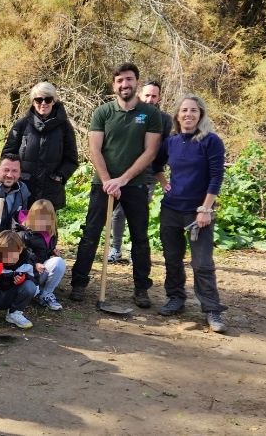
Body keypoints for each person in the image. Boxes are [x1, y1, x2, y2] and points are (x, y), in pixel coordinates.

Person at [69, 63, 161, 308]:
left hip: (135, 185)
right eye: (120, 80)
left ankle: (141, 288)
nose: (124, 84)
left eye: (129, 79)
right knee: (91, 234)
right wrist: (109, 180)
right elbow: (94, 149)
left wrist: (124, 179)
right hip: (103, 183)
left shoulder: (149, 114)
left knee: (140, 238)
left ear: (136, 82)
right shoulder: (103, 112)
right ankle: (79, 283)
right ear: (114, 85)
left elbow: (150, 152)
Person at [152, 94, 228, 332]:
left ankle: (212, 309)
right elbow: (156, 165)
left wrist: (206, 209)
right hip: (171, 209)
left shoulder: (211, 141)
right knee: (172, 259)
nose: (188, 114)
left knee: (202, 263)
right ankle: (176, 298)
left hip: (198, 213)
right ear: (177, 115)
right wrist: (164, 182)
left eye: (193, 110)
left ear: (200, 114)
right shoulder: (171, 142)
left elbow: (216, 177)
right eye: (184, 110)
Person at [109, 80, 173, 263]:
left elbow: (165, 150)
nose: (150, 99)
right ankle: (115, 248)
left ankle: (135, 251)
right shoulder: (130, 114)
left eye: (154, 96)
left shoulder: (165, 120)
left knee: (139, 214)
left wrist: (162, 175)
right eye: (147, 95)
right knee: (118, 212)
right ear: (140, 95)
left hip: (148, 176)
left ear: (159, 97)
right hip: (122, 174)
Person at [1, 81, 78, 210]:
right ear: (33, 101)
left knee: (46, 229)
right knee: (20, 227)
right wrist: (13, 175)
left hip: (50, 190)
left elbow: (72, 159)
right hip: (23, 188)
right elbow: (7, 156)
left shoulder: (65, 127)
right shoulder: (22, 125)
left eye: (48, 99)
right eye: (38, 100)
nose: (43, 103)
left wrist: (59, 176)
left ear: (54, 101)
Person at [16, 199, 66, 311]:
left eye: (46, 218)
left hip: (41, 271)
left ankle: (46, 294)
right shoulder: (24, 233)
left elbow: (44, 250)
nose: (42, 221)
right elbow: (20, 256)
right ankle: (34, 292)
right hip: (27, 273)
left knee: (59, 262)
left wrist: (52, 251)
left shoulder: (52, 232)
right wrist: (34, 265)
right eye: (38, 218)